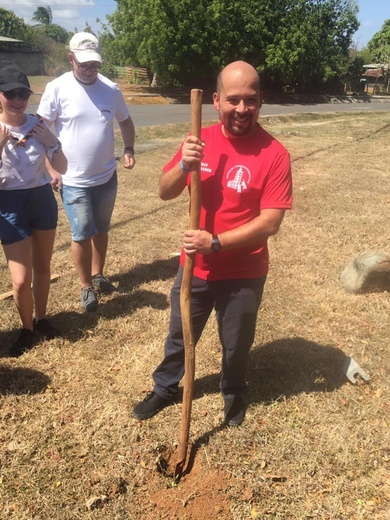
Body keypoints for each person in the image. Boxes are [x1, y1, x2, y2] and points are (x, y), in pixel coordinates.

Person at [132, 61, 293, 426]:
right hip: (196, 268)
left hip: (245, 272)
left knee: (236, 344)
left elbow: (271, 222)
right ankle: (164, 387)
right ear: (217, 101)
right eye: (233, 100)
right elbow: (163, 191)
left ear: (261, 101)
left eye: (250, 100)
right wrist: (184, 167)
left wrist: (216, 242)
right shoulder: (197, 142)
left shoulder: (274, 154)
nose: (241, 109)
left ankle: (233, 391)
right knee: (179, 334)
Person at [38, 32, 136, 312]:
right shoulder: (57, 88)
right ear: (71, 59)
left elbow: (126, 122)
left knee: (101, 228)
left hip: (106, 176)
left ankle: (98, 274)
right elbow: (40, 131)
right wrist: (48, 169)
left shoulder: (111, 89)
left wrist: (129, 149)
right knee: (81, 233)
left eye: (95, 65)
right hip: (73, 180)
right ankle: (85, 287)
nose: (91, 70)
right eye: (85, 65)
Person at [0, 65, 67, 357]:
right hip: (9, 203)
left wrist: (52, 143)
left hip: (41, 198)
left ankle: (42, 319)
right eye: (10, 93)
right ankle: (26, 329)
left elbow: (62, 167)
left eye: (23, 93)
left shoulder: (39, 125)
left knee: (43, 266)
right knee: (20, 279)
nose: (17, 99)